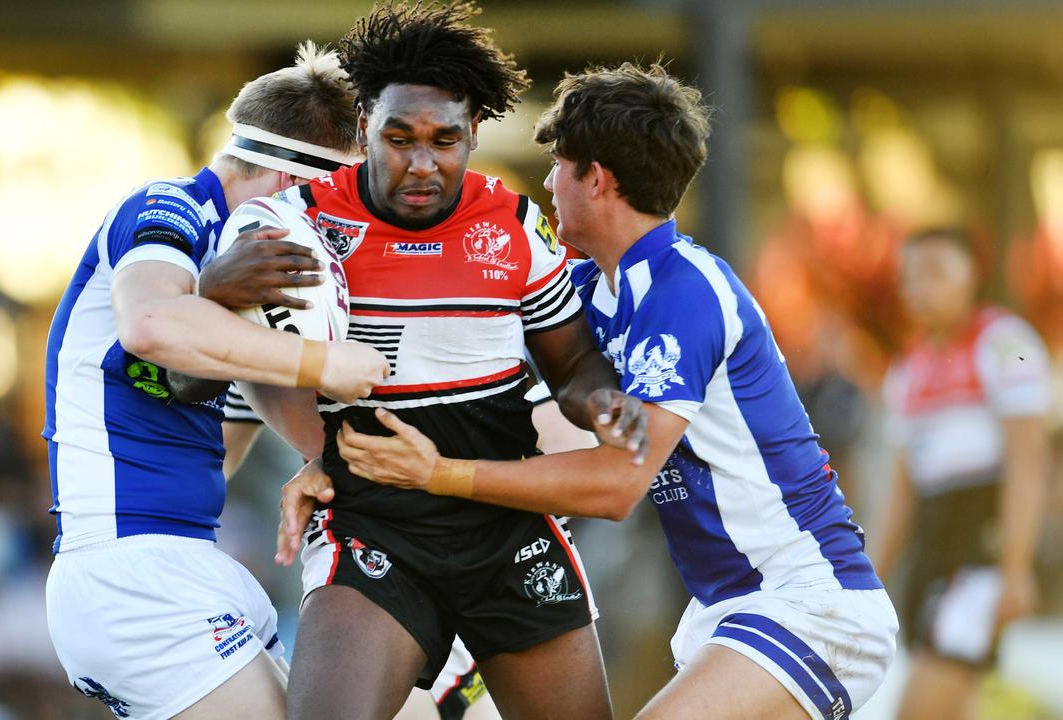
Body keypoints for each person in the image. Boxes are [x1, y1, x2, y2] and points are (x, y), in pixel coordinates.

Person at [335, 61, 899, 720]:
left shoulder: (686, 292)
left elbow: (616, 485)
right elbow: (512, 413)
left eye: (558, 166)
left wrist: (440, 474)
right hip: (729, 610)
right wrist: (336, 463)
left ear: (596, 180)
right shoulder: (585, 291)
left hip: (809, 604)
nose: (546, 182)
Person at [258, 4, 645, 718]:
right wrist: (309, 447)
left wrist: (602, 404)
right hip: (376, 527)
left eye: (445, 141)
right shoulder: (300, 226)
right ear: (366, 123)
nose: (421, 163)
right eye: (398, 138)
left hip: (505, 528)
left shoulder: (515, 225)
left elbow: (572, 366)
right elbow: (228, 360)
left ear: (474, 133)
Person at [41, 45, 389, 720]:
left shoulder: (230, 293)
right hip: (131, 576)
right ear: (292, 176)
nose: (339, 228)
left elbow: (219, 445)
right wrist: (322, 364)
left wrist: (324, 462)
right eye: (336, 198)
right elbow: (149, 323)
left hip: (189, 568)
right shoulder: (168, 207)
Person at [220, 382, 502, 720]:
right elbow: (205, 465)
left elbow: (556, 441)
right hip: (365, 602)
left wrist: (337, 465)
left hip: (462, 593)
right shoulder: (264, 367)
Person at [872, 229, 1051, 720]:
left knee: (921, 707)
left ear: (972, 274)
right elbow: (902, 492)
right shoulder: (907, 370)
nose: (922, 289)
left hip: (981, 552)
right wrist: (868, 578)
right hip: (933, 549)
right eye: (911, 276)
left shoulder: (1006, 344)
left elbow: (1028, 460)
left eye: (936, 273)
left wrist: (1016, 567)